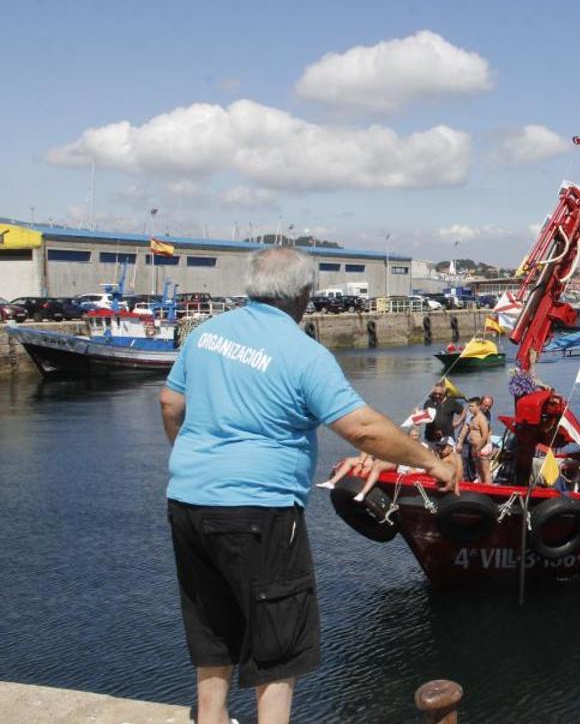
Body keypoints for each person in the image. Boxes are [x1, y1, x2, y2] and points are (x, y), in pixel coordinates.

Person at [159, 247, 454, 724]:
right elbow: (362, 430)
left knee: (211, 623)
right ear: (303, 294)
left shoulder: (205, 335)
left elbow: (170, 404)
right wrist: (430, 462)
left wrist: (194, 459)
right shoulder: (303, 353)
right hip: (260, 511)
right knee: (279, 640)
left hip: (188, 502)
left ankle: (210, 718)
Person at [458, 397, 493, 484]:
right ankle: (479, 486)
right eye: (485, 405)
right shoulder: (472, 417)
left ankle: (488, 488)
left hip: (481, 447)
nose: (469, 408)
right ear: (481, 405)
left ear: (478, 406)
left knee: (485, 471)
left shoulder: (482, 418)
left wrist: (480, 447)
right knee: (478, 470)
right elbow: (465, 429)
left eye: (471, 406)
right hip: (474, 446)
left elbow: (485, 434)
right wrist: (460, 442)